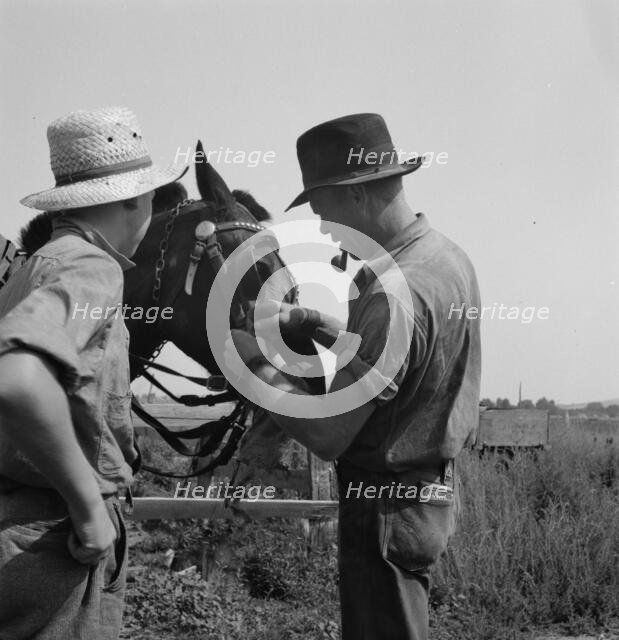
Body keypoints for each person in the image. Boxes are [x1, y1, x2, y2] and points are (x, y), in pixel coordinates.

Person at [224, 113, 481, 640]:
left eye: (323, 211)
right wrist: (327, 331)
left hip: (383, 508)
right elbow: (407, 369)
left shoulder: (394, 294)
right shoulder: (446, 259)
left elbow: (329, 433)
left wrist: (252, 363)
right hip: (420, 501)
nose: (321, 227)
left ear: (357, 198)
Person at [0, 106, 184, 639]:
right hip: (54, 539)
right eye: (150, 198)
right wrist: (87, 509)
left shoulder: (35, 265)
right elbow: (17, 376)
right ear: (132, 199)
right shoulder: (92, 266)